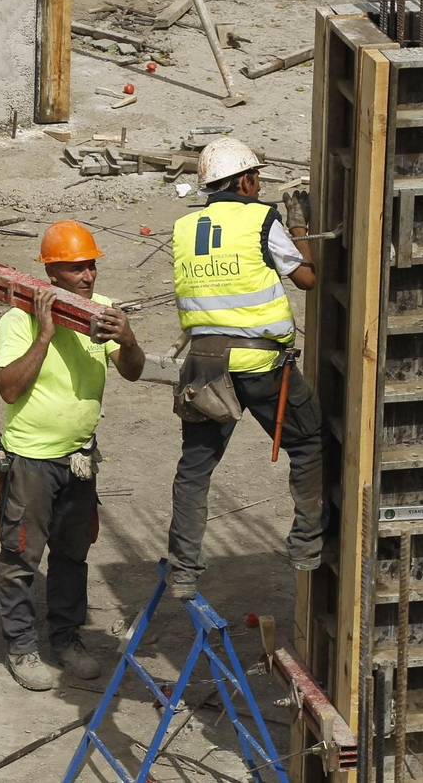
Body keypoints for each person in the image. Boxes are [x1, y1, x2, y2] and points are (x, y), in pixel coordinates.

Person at [167, 137, 326, 598]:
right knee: (309, 439)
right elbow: (308, 280)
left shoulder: (183, 228)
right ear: (244, 180)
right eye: (256, 178)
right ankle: (306, 545)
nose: (259, 187)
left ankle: (184, 569)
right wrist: (298, 227)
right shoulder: (261, 219)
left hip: (203, 367)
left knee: (195, 468)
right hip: (259, 364)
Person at [0, 220, 146, 691]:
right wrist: (45, 334)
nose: (88, 276)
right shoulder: (20, 317)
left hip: (80, 459)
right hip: (32, 461)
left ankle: (66, 638)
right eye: (77, 268)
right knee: (21, 558)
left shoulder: (102, 314)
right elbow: (8, 388)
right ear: (52, 273)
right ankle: (21, 648)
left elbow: (134, 373)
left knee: (71, 555)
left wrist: (128, 339)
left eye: (92, 265)